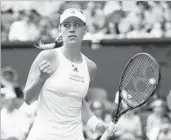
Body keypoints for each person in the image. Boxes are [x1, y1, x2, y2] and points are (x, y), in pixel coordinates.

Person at [23, 8, 116, 140]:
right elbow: (28, 99)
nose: (72, 29)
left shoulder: (90, 67)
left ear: (85, 30)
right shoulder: (47, 56)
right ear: (60, 30)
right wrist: (41, 79)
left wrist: (96, 125)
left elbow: (78, 101)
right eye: (67, 25)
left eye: (77, 25)